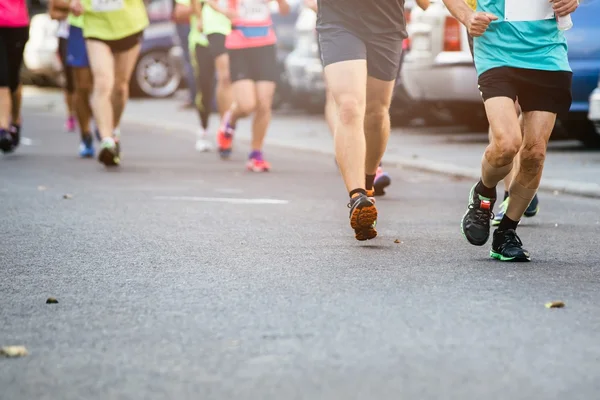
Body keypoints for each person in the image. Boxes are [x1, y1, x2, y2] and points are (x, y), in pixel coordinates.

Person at [444, 0, 578, 261]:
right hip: (496, 50)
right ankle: (484, 192)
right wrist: (466, 16)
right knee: (506, 144)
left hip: (546, 53)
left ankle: (506, 232)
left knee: (535, 153)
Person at [316, 0, 407, 240]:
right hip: (339, 19)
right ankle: (358, 197)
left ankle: (368, 184)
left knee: (376, 112)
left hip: (387, 21)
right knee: (348, 106)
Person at [464, 0, 540, 226]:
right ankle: (509, 191)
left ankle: (522, 176)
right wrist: (467, 15)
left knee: (528, 111)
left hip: (534, 25)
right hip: (489, 23)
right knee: (507, 105)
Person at [211, 0, 290, 172]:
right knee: (247, 105)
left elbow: (285, 10)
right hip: (239, 46)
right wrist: (224, 11)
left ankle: (256, 154)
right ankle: (230, 120)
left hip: (265, 45)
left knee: (264, 102)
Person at [70, 0, 149, 167]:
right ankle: (106, 140)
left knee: (120, 87)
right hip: (96, 24)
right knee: (103, 83)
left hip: (129, 24)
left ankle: (113, 131)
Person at [49, 0, 96, 157]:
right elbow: (53, 10)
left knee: (104, 84)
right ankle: (85, 134)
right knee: (79, 86)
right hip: (76, 32)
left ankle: (106, 125)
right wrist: (71, 7)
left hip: (111, 30)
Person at [191, 0, 234, 151]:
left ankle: (225, 129)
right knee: (205, 86)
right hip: (204, 37)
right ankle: (203, 130)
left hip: (233, 29)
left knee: (226, 79)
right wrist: (200, 17)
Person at [176, 0, 215, 151]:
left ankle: (227, 133)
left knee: (226, 84)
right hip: (201, 41)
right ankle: (204, 130)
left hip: (229, 39)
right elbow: (179, 12)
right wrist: (198, 6)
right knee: (205, 87)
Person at [0, 0, 29, 154]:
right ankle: (3, 128)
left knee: (13, 80)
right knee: (2, 79)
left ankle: (16, 119)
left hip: (16, 24)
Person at [51, 12, 77, 133]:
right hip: (66, 35)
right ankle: (71, 115)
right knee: (69, 80)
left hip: (88, 33)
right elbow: (53, 12)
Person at [172, 0, 198, 109]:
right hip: (188, 25)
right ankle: (196, 98)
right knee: (192, 62)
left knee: (193, 62)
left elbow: (179, 12)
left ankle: (198, 98)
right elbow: (179, 12)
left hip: (191, 24)